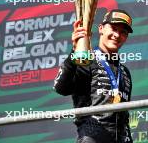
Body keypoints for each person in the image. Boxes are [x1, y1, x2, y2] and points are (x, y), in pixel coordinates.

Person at [54, 9, 133, 143]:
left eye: (123, 32)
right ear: (101, 28)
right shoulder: (86, 61)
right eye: (113, 28)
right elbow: (61, 88)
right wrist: (74, 53)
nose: (117, 35)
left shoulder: (124, 72)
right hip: (93, 136)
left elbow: (124, 115)